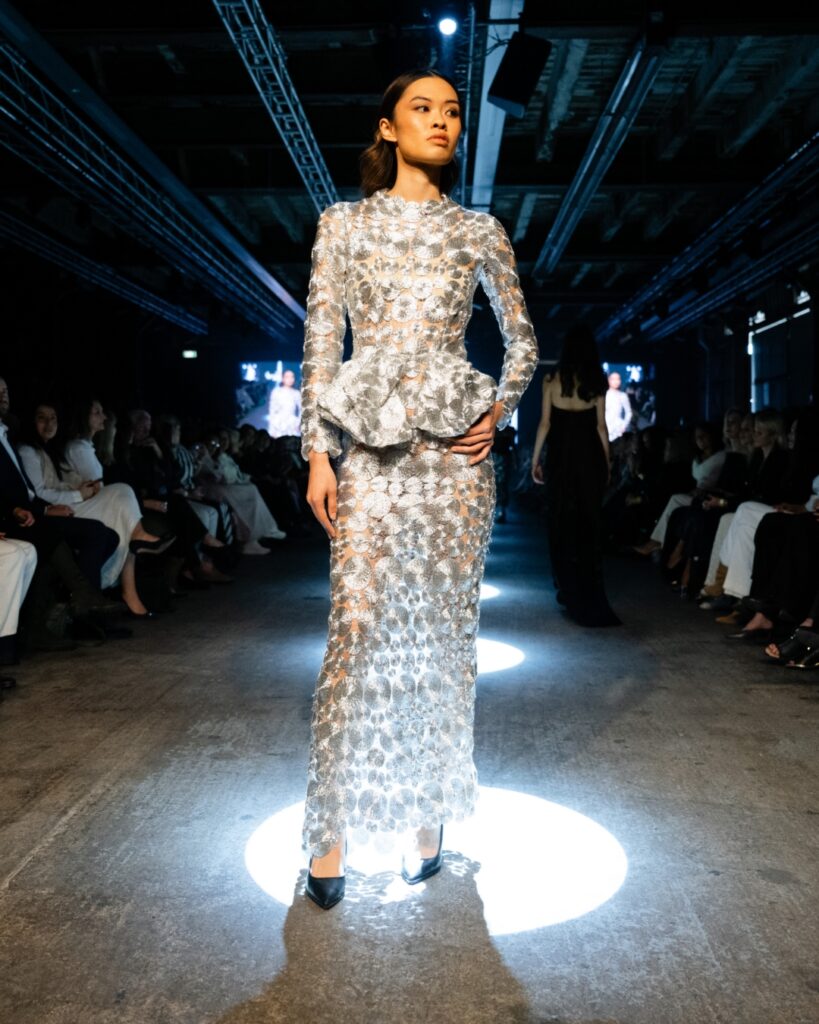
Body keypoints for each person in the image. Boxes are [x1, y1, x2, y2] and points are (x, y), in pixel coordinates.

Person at [299, 68, 538, 909]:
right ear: (387, 126)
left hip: (455, 466)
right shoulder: (342, 224)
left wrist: (499, 412)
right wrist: (318, 454)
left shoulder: (477, 229)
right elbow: (320, 342)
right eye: (422, 109)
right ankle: (328, 834)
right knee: (354, 633)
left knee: (442, 641)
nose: (441, 121)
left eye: (452, 111)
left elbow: (522, 341)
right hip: (367, 453)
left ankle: (426, 822)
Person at [18, 402, 168, 615]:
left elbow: (55, 484)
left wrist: (76, 488)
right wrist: (78, 493)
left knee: (113, 532)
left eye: (53, 418)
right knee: (117, 502)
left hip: (68, 504)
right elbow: (37, 492)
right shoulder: (29, 451)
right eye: (42, 418)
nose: (49, 423)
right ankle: (103, 598)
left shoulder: (49, 450)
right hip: (55, 511)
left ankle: (99, 598)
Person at [532, 325, 620, 626]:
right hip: (589, 458)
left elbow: (545, 423)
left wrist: (535, 460)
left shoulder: (551, 379)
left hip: (561, 458)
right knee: (588, 526)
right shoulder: (597, 382)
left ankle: (567, 590)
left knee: (560, 524)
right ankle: (589, 593)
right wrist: (607, 463)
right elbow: (601, 427)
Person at [267, 369, 302, 438]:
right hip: (278, 424)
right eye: (287, 377)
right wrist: (272, 429)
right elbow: (272, 410)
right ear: (283, 379)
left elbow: (302, 409)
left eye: (292, 377)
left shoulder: (296, 393)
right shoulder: (276, 392)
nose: (290, 379)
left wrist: (299, 423)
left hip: (292, 424)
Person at [605, 371, 632, 442]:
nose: (616, 381)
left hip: (618, 429)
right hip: (605, 427)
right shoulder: (604, 395)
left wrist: (624, 425)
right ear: (608, 380)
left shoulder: (623, 395)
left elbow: (629, 412)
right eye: (613, 379)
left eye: (618, 379)